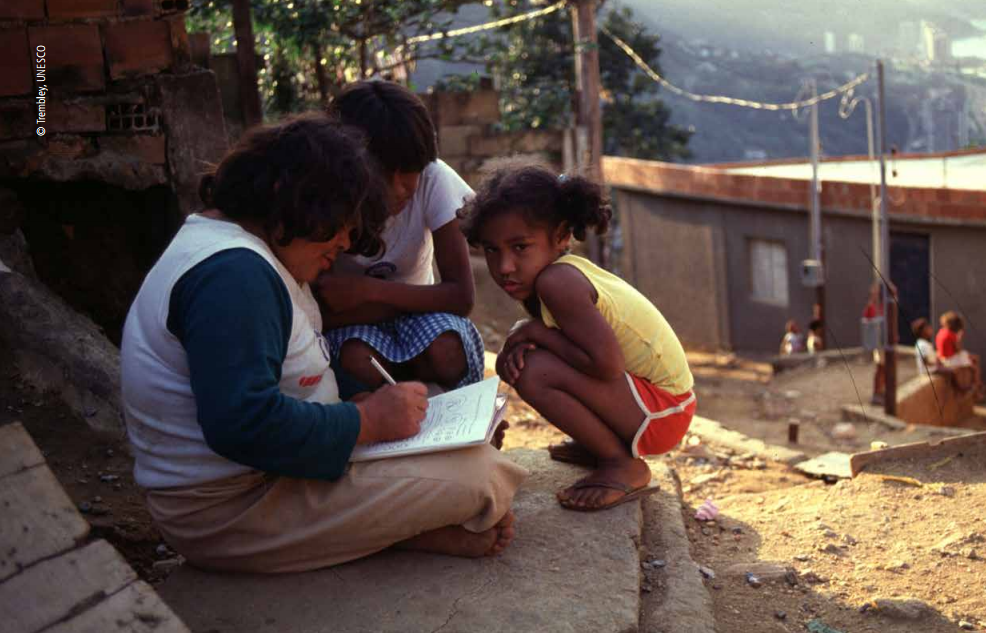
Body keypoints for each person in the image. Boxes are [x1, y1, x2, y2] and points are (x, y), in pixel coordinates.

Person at [119, 114, 527, 573]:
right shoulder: (233, 276)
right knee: (480, 477)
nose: (347, 241)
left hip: (270, 482)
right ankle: (392, 531)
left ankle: (378, 528)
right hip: (228, 512)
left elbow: (287, 380)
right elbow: (242, 425)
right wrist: (365, 421)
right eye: (340, 223)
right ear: (289, 200)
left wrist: (361, 406)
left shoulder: (249, 255)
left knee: (447, 429)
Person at [459, 161, 695, 512]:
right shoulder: (557, 276)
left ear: (560, 236)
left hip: (662, 414)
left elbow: (606, 365)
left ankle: (622, 464)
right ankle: (602, 445)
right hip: (658, 407)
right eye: (492, 250)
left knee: (533, 371)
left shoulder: (558, 282)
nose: (504, 265)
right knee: (533, 362)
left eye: (520, 247)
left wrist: (533, 331)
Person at [317, 80, 483, 393]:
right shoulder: (327, 198)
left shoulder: (435, 179)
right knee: (356, 359)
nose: (398, 190)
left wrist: (366, 291)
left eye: (409, 175)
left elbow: (461, 298)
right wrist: (418, 300)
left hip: (413, 318)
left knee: (447, 348)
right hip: (366, 324)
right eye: (382, 176)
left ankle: (458, 426)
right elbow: (323, 315)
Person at [936, 311, 983, 398]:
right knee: (975, 367)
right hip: (950, 360)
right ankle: (976, 388)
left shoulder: (942, 331)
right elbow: (958, 349)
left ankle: (977, 387)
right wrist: (959, 338)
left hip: (944, 358)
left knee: (974, 358)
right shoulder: (951, 334)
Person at [862, 283, 887, 405]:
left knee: (885, 369)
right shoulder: (871, 307)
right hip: (879, 344)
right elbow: (867, 324)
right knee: (880, 368)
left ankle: (882, 391)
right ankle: (876, 394)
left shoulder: (883, 306)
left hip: (885, 342)